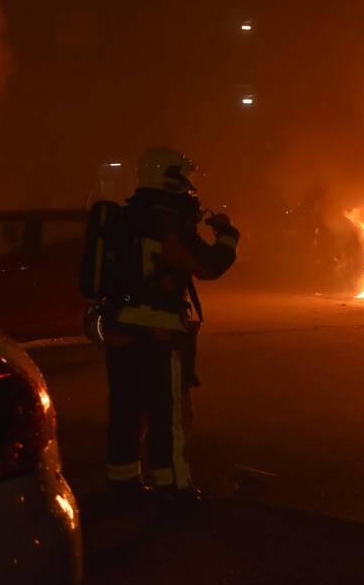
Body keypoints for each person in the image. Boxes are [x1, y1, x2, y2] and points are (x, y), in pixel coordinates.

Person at [103, 147, 239, 511]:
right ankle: (175, 490)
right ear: (169, 177)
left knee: (126, 412)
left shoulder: (124, 217)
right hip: (158, 337)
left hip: (118, 333)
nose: (189, 186)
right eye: (184, 177)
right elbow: (208, 266)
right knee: (168, 415)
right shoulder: (166, 222)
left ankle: (123, 484)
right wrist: (227, 236)